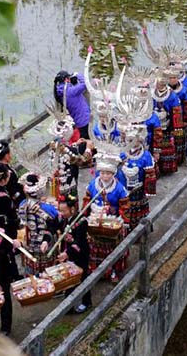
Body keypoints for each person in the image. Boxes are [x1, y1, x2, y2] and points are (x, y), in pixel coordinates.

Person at [83, 152, 130, 283]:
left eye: (108, 173)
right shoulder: (93, 185)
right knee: (94, 246)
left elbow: (125, 206)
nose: (105, 176)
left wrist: (123, 220)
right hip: (95, 219)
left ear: (113, 173)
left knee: (112, 248)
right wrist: (84, 215)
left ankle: (113, 270)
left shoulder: (119, 188)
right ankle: (95, 270)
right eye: (102, 173)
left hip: (112, 222)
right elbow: (87, 201)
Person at [55, 194, 92, 314]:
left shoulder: (81, 222)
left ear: (72, 209)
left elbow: (78, 242)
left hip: (79, 254)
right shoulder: (63, 219)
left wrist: (67, 253)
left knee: (82, 278)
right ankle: (69, 306)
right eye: (60, 210)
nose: (61, 213)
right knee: (68, 279)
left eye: (63, 210)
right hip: (67, 252)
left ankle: (87, 302)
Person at [118, 122, 156, 230]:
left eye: (134, 140)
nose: (131, 143)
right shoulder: (122, 153)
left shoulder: (145, 155)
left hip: (139, 190)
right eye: (129, 141)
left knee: (139, 214)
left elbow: (150, 174)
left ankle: (141, 233)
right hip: (124, 189)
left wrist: (149, 191)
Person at [18, 172, 58, 275]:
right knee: (48, 270)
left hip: (30, 241)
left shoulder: (22, 206)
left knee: (32, 268)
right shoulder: (49, 209)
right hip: (46, 241)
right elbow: (55, 225)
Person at [151, 72, 182, 175]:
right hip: (153, 125)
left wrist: (177, 128)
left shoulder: (172, 95)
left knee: (166, 147)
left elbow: (176, 112)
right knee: (153, 146)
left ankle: (166, 169)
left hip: (166, 125)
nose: (159, 85)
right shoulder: (151, 93)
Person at [54, 70, 91, 139]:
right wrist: (77, 74)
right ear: (66, 79)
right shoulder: (71, 91)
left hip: (78, 121)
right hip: (84, 120)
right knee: (88, 142)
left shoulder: (61, 92)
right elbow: (85, 83)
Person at [0, 163, 20, 239]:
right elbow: (11, 214)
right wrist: (17, 222)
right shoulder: (4, 197)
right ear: (3, 180)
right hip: (4, 221)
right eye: (8, 175)